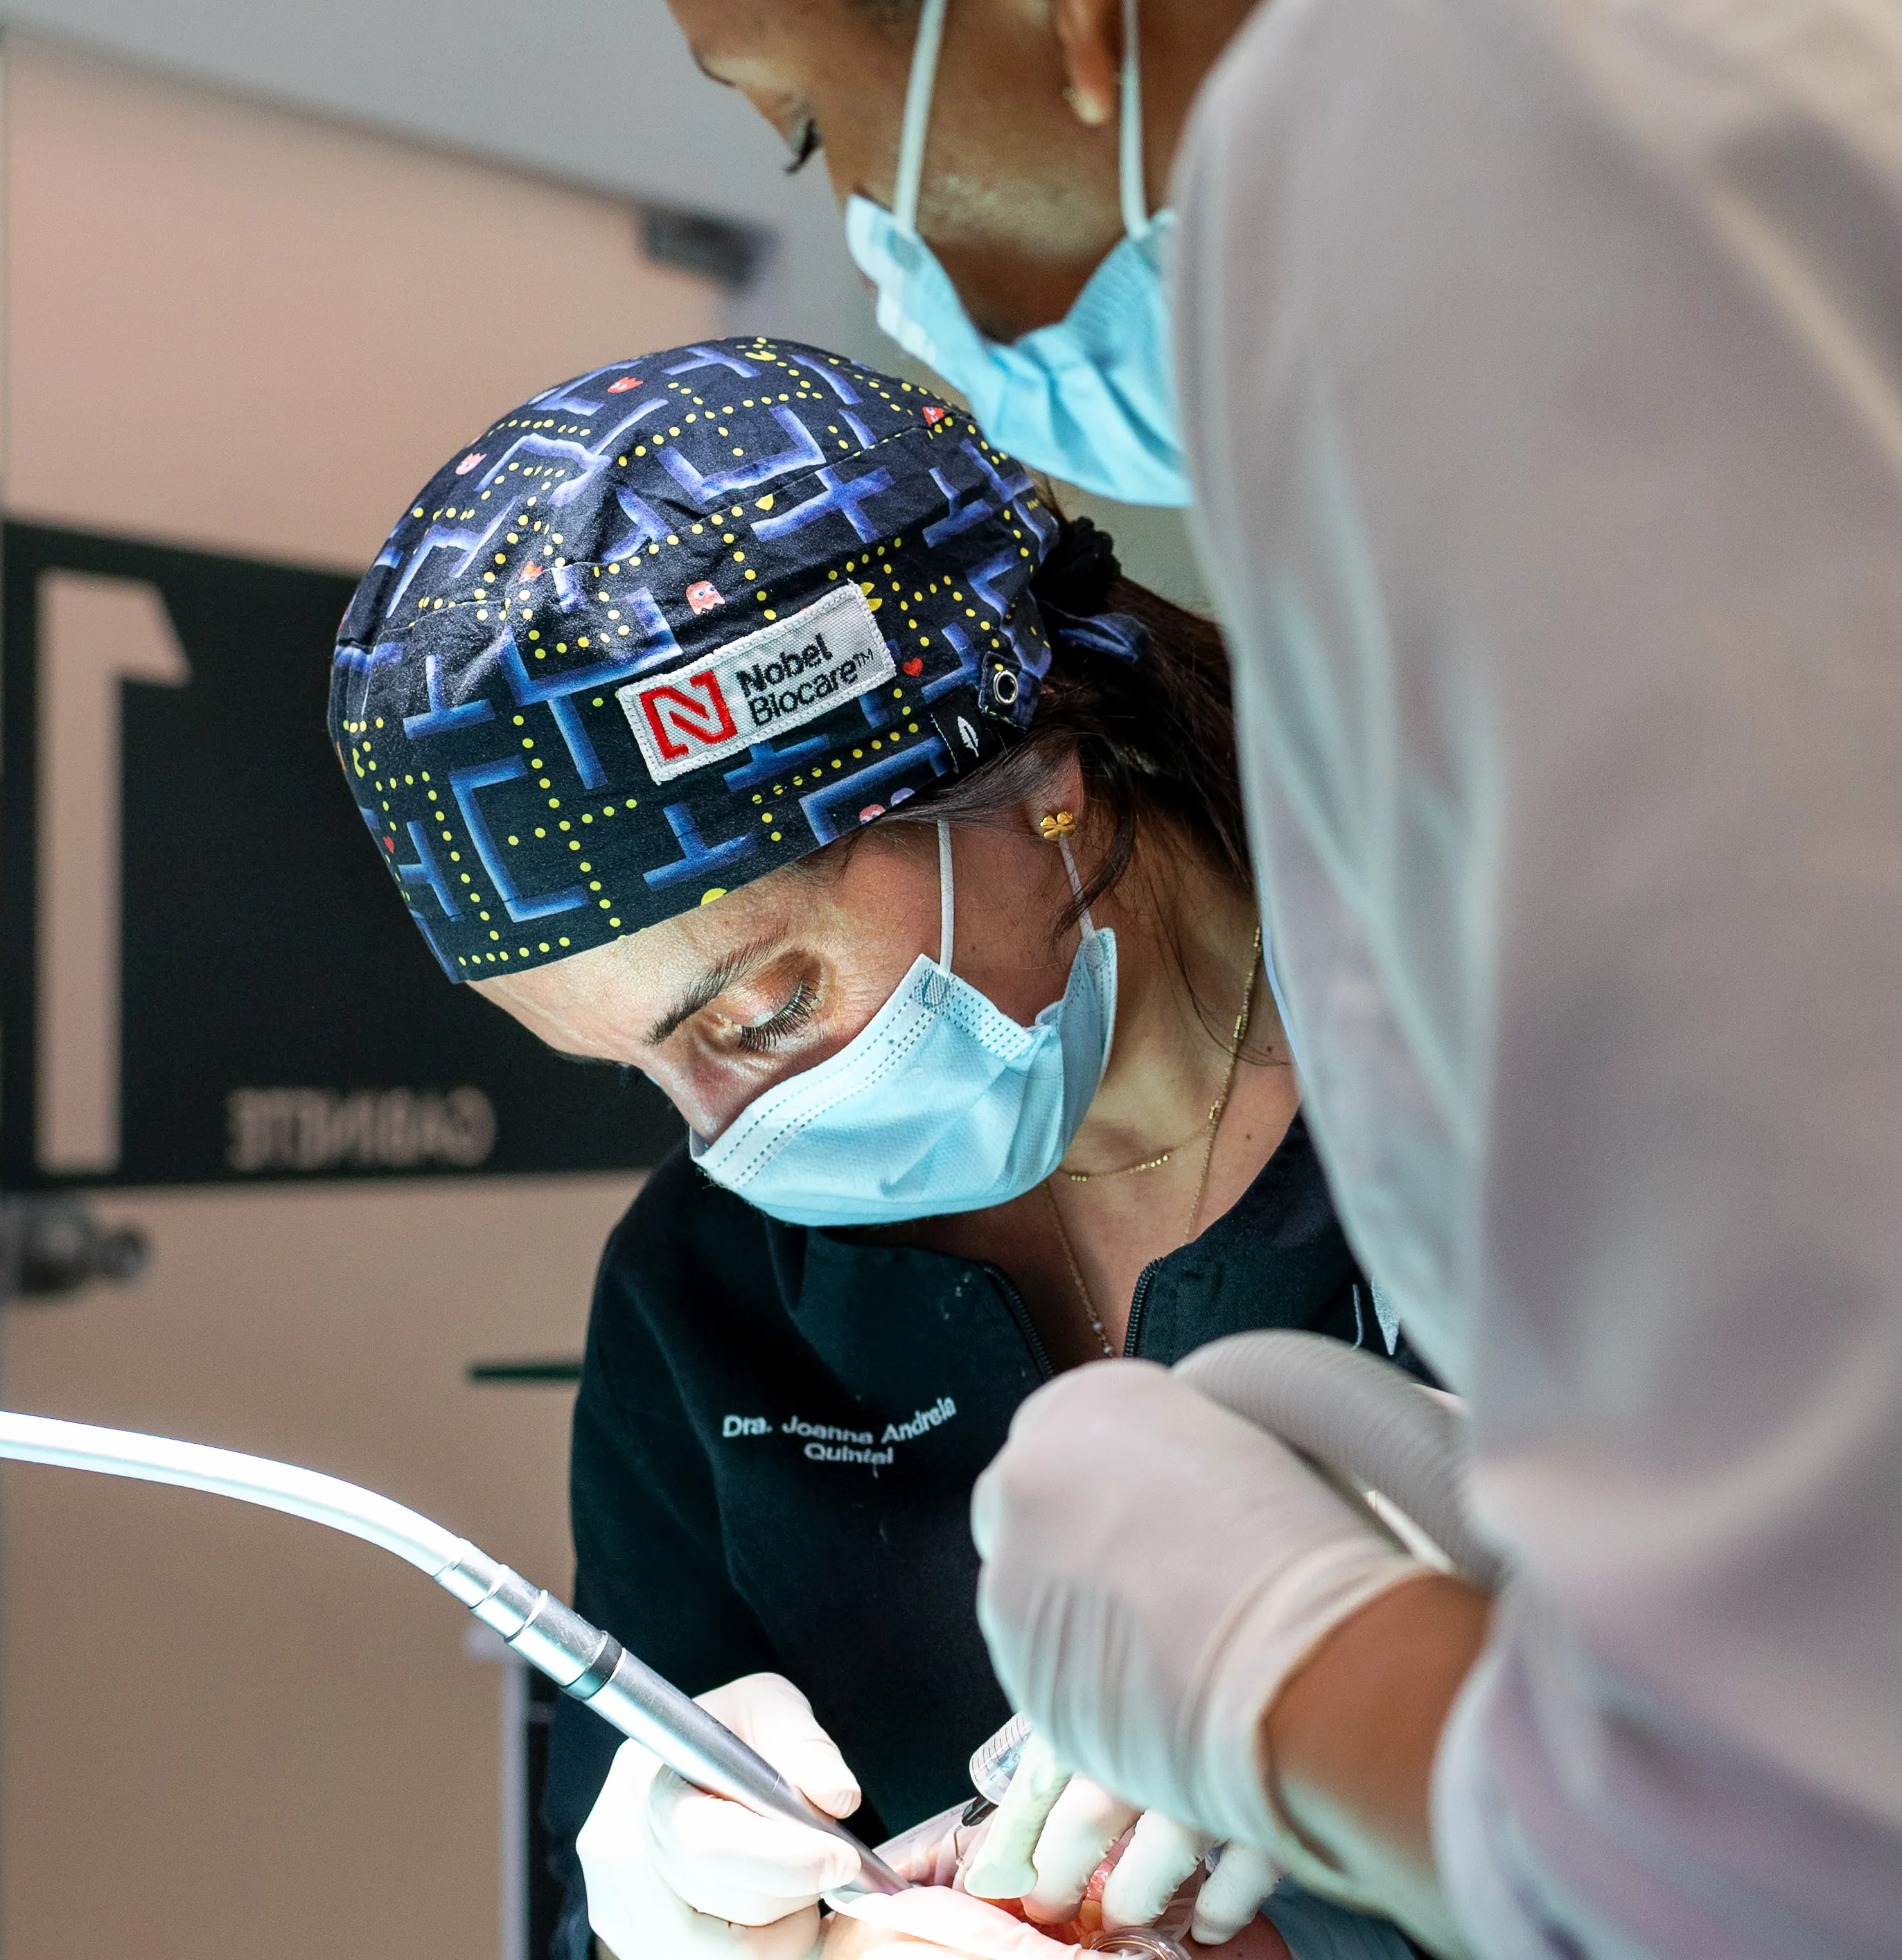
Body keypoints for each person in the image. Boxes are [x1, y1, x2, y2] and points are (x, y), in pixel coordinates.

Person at [664, 1, 1902, 1955]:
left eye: (812, 128)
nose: (889, 262)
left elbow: (1775, 1848)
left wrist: (1298, 1681)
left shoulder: (1478, 169)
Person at [331, 337, 1425, 1960]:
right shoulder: (705, 1292)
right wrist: (664, 1908)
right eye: (636, 1066)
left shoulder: (1532, 1104)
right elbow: (602, 1873)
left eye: (762, 1007)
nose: (727, 1134)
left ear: (1040, 781)